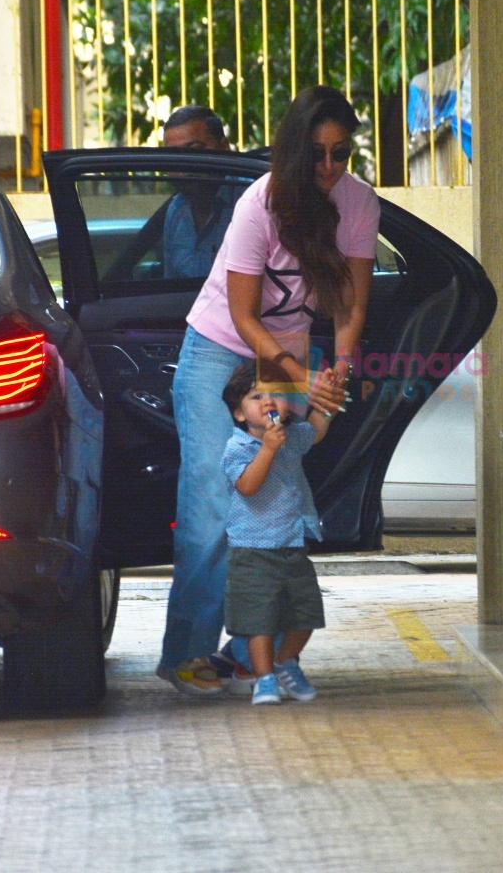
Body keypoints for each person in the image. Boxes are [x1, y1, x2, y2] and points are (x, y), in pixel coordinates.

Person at [157, 85, 376, 695]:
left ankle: (247, 650)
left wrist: (339, 370)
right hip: (219, 345)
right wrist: (302, 375)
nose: (329, 168)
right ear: (294, 152)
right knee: (210, 501)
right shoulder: (261, 204)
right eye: (317, 154)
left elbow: (351, 302)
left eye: (341, 153)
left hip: (289, 350)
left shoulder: (357, 203)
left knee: (275, 490)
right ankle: (188, 656)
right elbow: (246, 316)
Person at [218, 361, 337, 704]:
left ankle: (286, 661)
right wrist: (268, 448)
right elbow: (248, 486)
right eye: (257, 397)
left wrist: (327, 402)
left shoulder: (291, 438)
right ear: (240, 414)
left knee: (306, 612)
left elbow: (316, 428)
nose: (269, 402)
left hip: (291, 543)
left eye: (277, 395)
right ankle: (264, 678)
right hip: (252, 549)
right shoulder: (237, 448)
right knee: (259, 620)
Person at [108, 106, 237, 281]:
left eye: (195, 150)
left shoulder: (249, 202)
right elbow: (170, 288)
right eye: (174, 155)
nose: (183, 166)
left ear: (224, 147)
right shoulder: (176, 210)